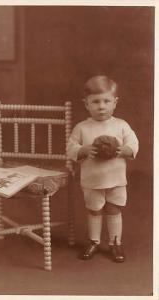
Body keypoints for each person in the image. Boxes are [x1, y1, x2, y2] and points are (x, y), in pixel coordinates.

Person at [67, 75, 139, 262]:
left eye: (106, 101)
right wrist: (82, 149)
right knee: (94, 210)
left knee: (114, 209)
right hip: (92, 180)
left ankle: (115, 243)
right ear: (86, 104)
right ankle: (94, 241)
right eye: (96, 101)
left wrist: (126, 150)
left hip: (115, 179)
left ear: (114, 102)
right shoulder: (82, 128)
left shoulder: (121, 125)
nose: (101, 106)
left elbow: (133, 143)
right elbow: (70, 147)